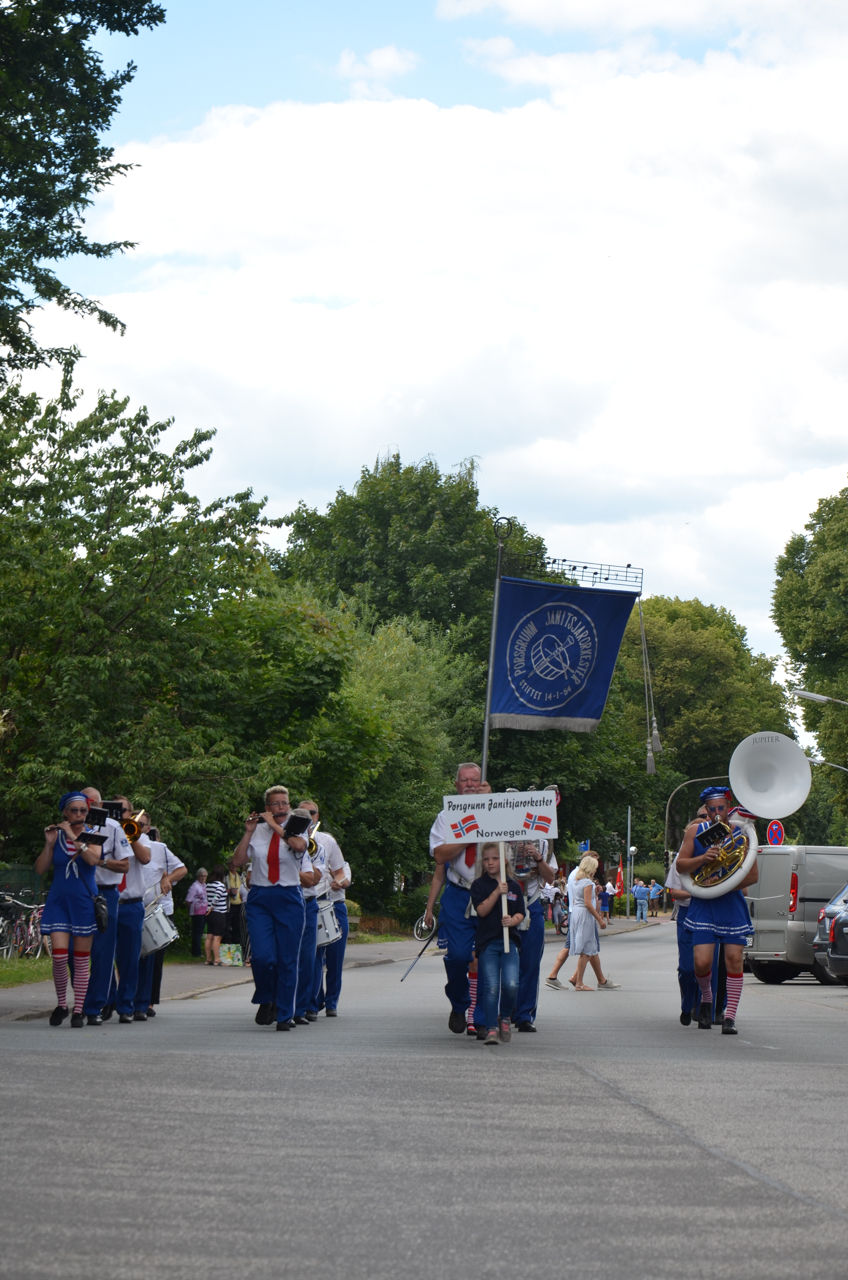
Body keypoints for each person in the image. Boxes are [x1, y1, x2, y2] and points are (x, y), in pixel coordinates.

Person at [675, 786, 758, 1035]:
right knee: (701, 962)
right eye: (712, 809)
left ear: (728, 806)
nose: (717, 813)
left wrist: (722, 884)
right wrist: (703, 860)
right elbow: (680, 865)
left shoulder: (742, 832)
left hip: (730, 904)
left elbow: (752, 875)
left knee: (734, 961)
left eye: (722, 807)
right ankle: (707, 999)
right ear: (706, 810)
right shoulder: (695, 831)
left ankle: (730, 1016)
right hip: (704, 905)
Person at [233, 785, 310, 1030]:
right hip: (260, 897)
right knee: (263, 957)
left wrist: (277, 826)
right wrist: (248, 832)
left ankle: (284, 1013)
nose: (281, 808)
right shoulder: (257, 831)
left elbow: (298, 847)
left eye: (284, 803)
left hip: (288, 896)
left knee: (287, 960)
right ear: (267, 808)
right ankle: (266, 997)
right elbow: (236, 862)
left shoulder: (298, 826)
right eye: (275, 804)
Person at [426, 762, 487, 1034]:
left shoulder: (496, 812)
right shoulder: (445, 817)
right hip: (458, 893)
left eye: (475, 781)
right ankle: (459, 1003)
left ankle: (482, 1016)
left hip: (490, 893)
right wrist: (468, 836)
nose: (470, 785)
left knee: (488, 956)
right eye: (465, 781)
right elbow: (440, 855)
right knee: (459, 955)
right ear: (456, 785)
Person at [35, 793, 103, 1027]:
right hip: (59, 901)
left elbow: (93, 860)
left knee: (82, 960)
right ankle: (62, 1004)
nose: (78, 815)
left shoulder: (93, 836)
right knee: (59, 957)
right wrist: (49, 844)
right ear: (65, 812)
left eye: (83, 811)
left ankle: (79, 1009)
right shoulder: (57, 836)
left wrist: (74, 835)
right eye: (73, 811)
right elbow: (41, 869)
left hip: (83, 901)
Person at [79, 785, 132, 1027]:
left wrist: (99, 861)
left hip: (105, 893)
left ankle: (94, 1006)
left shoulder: (112, 827)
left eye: (89, 804)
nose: (85, 809)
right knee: (74, 952)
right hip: (78, 893)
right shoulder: (71, 828)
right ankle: (86, 999)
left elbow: (124, 866)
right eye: (81, 804)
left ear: (99, 805)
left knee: (102, 952)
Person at [296, 798, 345, 1024]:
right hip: (304, 900)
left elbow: (340, 872)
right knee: (311, 957)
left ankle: (331, 1002)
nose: (308, 818)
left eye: (312, 813)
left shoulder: (327, 841)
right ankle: (311, 1004)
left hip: (329, 901)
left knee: (334, 958)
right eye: (303, 814)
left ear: (317, 816)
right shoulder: (290, 839)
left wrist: (340, 882)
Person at [470, 844, 525, 1045]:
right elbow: (482, 911)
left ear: (504, 861)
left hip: (509, 942)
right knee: (491, 987)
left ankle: (505, 1018)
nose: (490, 862)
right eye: (486, 859)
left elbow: (521, 912)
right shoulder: (479, 885)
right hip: (488, 944)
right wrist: (496, 892)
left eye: (495, 858)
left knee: (511, 985)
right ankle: (491, 1027)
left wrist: (513, 920)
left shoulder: (514, 886)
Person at [136, 823, 187, 1018]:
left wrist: (167, 878)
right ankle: (130, 998)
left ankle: (148, 1001)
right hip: (134, 907)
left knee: (153, 958)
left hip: (158, 909)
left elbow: (181, 870)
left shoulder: (161, 849)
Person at [548, 854, 620, 991]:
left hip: (576, 912)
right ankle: (580, 983)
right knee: (586, 949)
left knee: (587, 948)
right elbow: (588, 903)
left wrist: (595, 893)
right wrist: (600, 919)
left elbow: (579, 899)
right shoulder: (588, 882)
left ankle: (580, 980)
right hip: (584, 915)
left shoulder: (575, 880)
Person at [509, 834, 557, 1033]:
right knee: (503, 961)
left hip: (531, 903)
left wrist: (538, 858)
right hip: (506, 903)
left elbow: (550, 877)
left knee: (530, 963)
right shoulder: (498, 837)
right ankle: (504, 1010)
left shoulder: (542, 842)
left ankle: (524, 1015)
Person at [111, 795, 152, 1025]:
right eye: (114, 809)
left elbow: (145, 858)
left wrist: (130, 833)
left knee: (129, 960)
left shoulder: (140, 835)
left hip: (130, 904)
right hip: (107, 901)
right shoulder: (103, 833)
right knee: (103, 956)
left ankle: (126, 1006)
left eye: (123, 810)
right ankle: (106, 1001)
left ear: (130, 812)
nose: (119, 814)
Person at [204, 865, 229, 966]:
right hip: (219, 913)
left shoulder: (208, 885)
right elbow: (216, 897)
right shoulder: (220, 885)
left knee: (209, 936)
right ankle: (217, 959)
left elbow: (207, 897)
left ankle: (208, 959)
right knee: (217, 938)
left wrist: (208, 909)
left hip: (209, 914)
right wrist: (212, 907)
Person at [186, 868, 209, 956]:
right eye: (201, 876)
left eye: (204, 876)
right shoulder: (194, 886)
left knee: (200, 931)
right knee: (197, 932)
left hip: (204, 912)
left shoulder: (204, 885)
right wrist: (189, 911)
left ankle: (197, 950)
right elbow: (188, 900)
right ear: (197, 876)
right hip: (197, 912)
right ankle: (196, 952)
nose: (203, 878)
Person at [226, 860, 246, 948]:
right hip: (229, 905)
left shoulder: (241, 875)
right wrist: (228, 891)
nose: (233, 866)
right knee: (226, 927)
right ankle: (225, 948)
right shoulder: (225, 875)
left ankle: (237, 948)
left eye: (235, 865)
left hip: (239, 904)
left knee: (237, 927)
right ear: (228, 865)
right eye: (231, 864)